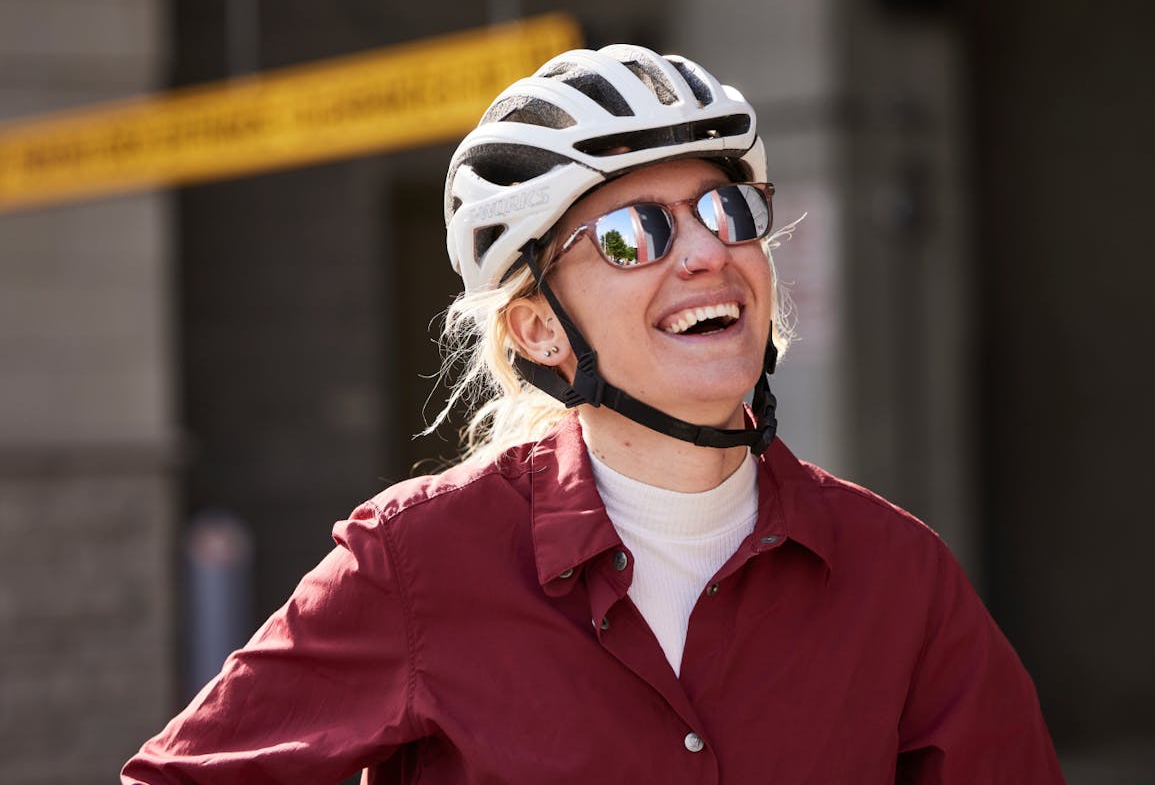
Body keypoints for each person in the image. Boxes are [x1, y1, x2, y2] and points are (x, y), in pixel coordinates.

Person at [123, 45, 1064, 783]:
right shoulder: (417, 562)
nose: (703, 251)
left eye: (726, 209)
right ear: (538, 330)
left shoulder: (897, 577)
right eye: (631, 233)